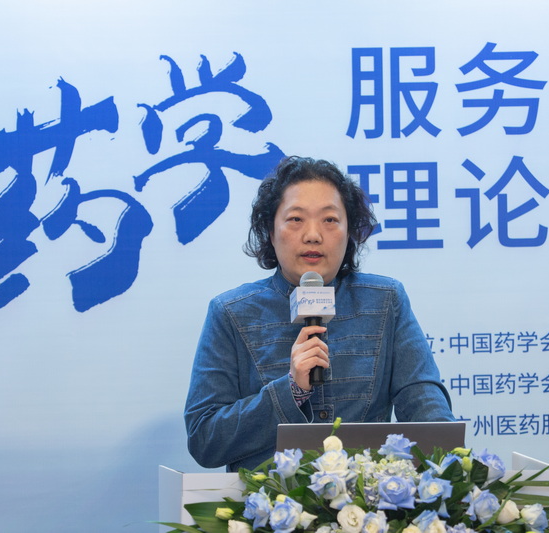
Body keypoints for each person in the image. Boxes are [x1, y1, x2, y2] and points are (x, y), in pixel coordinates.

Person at [184, 156, 454, 471]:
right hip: (267, 500)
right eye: (296, 219)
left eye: (329, 219)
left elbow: (425, 407)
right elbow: (205, 439)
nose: (313, 234)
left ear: (350, 232)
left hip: (368, 498)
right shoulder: (231, 313)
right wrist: (290, 391)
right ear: (270, 231)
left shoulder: (385, 301)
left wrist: (451, 465)